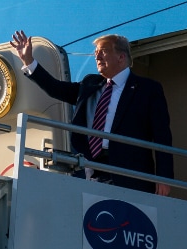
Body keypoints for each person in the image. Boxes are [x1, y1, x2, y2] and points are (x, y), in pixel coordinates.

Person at [10, 30, 173, 195]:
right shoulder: (90, 84)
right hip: (94, 172)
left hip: (131, 174)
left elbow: (162, 135)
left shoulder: (147, 89)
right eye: (96, 53)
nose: (97, 57)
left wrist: (164, 177)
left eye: (103, 51)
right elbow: (56, 89)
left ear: (121, 57)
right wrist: (29, 61)